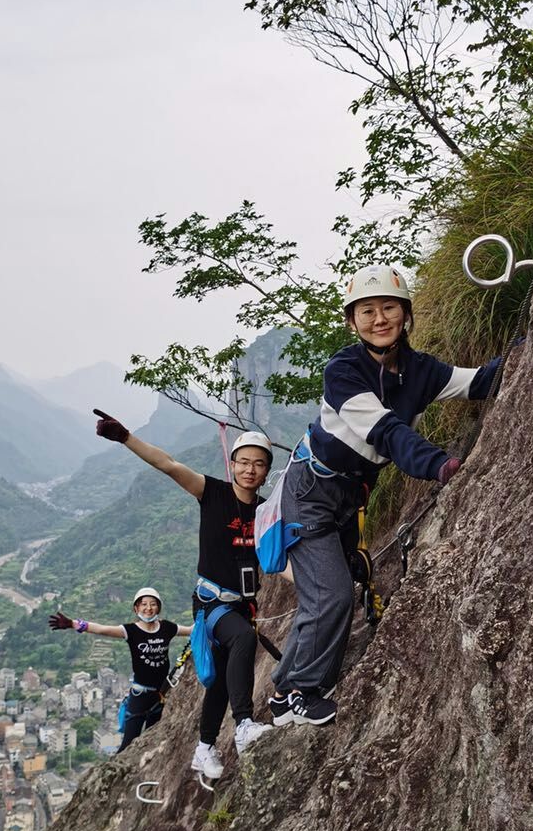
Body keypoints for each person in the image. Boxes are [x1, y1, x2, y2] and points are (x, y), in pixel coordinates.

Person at [268, 262, 509, 727]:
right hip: (310, 489)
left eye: (389, 308)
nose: (379, 319)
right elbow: (385, 431)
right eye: (367, 311)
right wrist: (438, 464)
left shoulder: (420, 371)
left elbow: (479, 381)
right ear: (352, 321)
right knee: (333, 594)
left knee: (327, 591)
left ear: (405, 314)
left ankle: (282, 691)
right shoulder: (343, 371)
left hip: (349, 495)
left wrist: (524, 347)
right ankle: (304, 691)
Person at [92, 409, 272, 782]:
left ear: (266, 471)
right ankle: (243, 725)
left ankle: (203, 748)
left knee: (220, 682)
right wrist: (126, 437)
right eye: (243, 462)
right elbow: (169, 465)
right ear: (232, 465)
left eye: (258, 464)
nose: (250, 470)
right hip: (212, 603)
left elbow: (277, 556)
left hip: (242, 604)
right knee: (243, 638)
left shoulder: (266, 510)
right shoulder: (213, 492)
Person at [48, 587, 191, 753]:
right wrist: (74, 624)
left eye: (153, 604)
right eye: (144, 604)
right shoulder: (131, 630)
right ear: (136, 608)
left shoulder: (167, 628)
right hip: (140, 695)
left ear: (159, 607)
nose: (148, 608)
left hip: (160, 695)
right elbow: (103, 629)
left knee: (152, 741)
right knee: (128, 744)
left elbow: (191, 630)